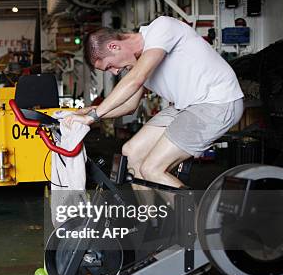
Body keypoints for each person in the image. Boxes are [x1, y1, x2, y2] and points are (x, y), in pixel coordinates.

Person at [64, 16, 244, 188]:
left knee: (152, 169)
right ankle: (152, 217)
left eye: (109, 66)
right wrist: (85, 112)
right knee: (131, 152)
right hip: (186, 107)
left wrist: (95, 115)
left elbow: (136, 79)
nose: (114, 72)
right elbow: (128, 106)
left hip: (217, 102)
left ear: (114, 46)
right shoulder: (136, 65)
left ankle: (197, 218)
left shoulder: (161, 28)